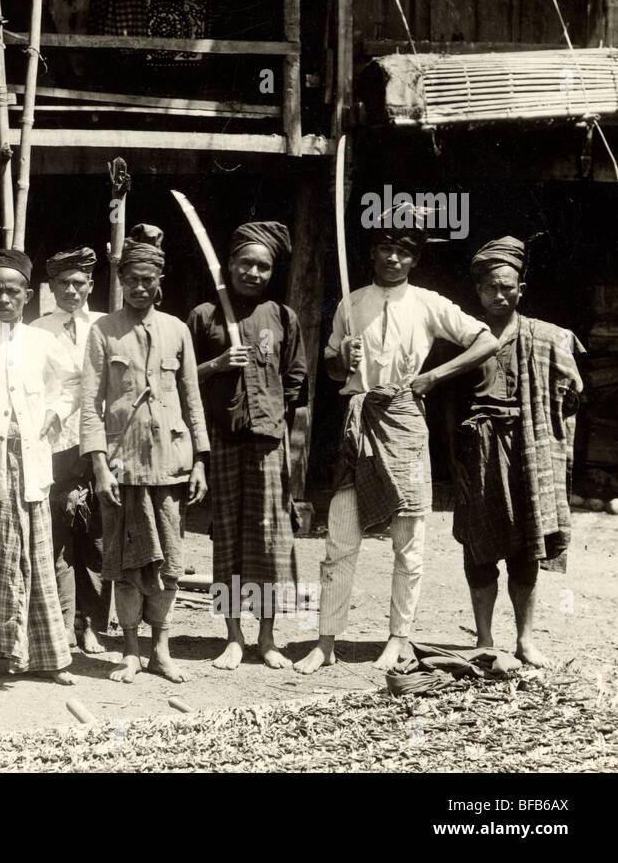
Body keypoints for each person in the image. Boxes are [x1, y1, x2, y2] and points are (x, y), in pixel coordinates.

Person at [294, 225, 498, 675]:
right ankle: (326, 642)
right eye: (385, 249)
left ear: (414, 260)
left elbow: (486, 339)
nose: (393, 259)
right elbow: (331, 369)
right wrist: (339, 357)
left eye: (403, 253)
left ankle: (398, 639)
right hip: (358, 421)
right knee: (340, 537)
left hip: (405, 419)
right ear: (373, 253)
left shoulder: (427, 303)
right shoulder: (351, 303)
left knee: (408, 542)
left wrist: (435, 376)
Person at [83, 224, 208, 684]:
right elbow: (90, 404)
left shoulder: (176, 330)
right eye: (131, 279)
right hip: (122, 468)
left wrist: (199, 461)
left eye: (147, 280)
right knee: (125, 564)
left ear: (159, 282)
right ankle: (130, 651)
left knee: (170, 562)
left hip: (170, 467)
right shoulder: (103, 331)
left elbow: (192, 399)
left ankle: (161, 648)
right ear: (122, 281)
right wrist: (99, 464)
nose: (139, 288)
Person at [449, 236, 581, 668]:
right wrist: (454, 463)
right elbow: (447, 409)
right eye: (491, 287)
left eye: (508, 286)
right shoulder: (462, 337)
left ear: (520, 289)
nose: (500, 294)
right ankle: (485, 639)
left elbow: (573, 395)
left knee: (527, 548)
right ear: (478, 291)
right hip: (479, 452)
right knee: (479, 547)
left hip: (529, 449)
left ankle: (524, 640)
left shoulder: (545, 337)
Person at [0, 248, 77, 689]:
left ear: (28, 295)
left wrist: (56, 414)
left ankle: (50, 657)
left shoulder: (44, 342)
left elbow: (74, 383)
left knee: (35, 559)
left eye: (14, 290)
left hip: (31, 462)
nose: (5, 298)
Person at [187, 221, 306, 670]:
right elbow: (180, 381)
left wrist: (287, 444)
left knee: (271, 542)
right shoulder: (204, 316)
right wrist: (217, 364)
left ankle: (268, 636)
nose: (254, 273)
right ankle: (233, 635)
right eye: (246, 264)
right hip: (222, 440)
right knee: (229, 541)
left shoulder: (282, 316)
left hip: (269, 444)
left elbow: (296, 383)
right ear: (230, 265)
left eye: (264, 266)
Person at [32, 247, 110, 654]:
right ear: (51, 286)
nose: (71, 290)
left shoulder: (104, 325)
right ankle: (63, 623)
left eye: (79, 282)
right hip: (55, 443)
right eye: (62, 283)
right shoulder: (38, 329)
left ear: (91, 285)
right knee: (58, 533)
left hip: (98, 444)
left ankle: (93, 623)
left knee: (96, 536)